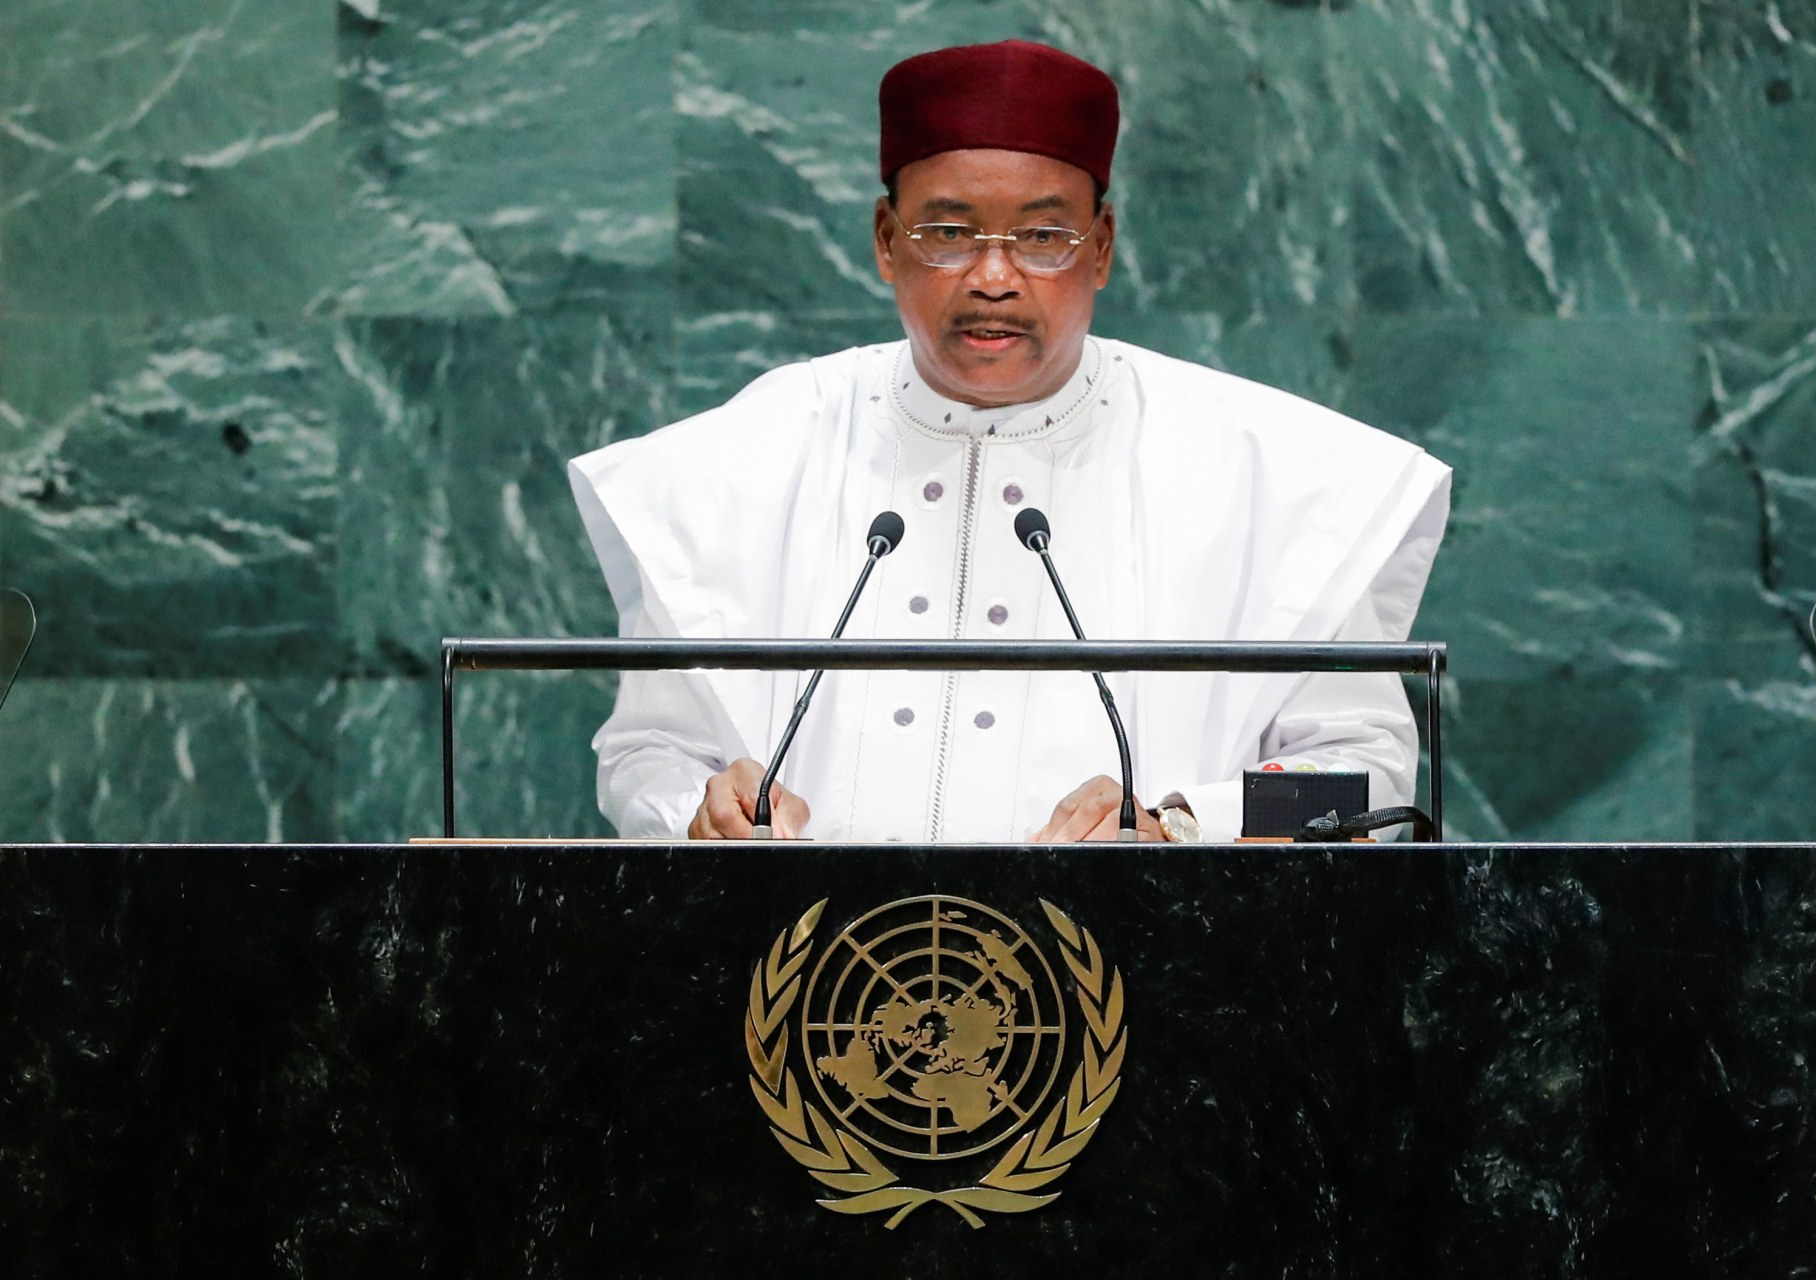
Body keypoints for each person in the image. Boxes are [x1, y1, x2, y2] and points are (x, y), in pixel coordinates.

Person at [569, 40, 1451, 844]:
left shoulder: (1275, 472)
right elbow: (648, 750)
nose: (994, 277)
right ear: (885, 241)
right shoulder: (748, 455)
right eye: (948, 233)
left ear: (1101, 247)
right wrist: (695, 809)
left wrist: (1183, 825)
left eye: (1043, 237)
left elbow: (1359, 775)